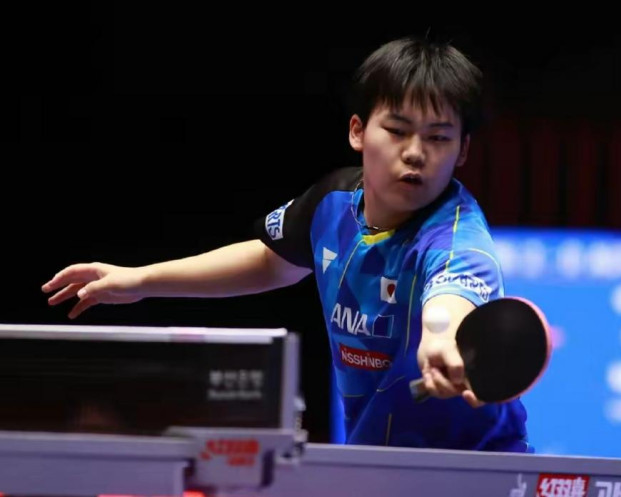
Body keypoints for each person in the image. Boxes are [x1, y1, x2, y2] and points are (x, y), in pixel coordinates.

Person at [42, 36, 532, 452]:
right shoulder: (332, 203)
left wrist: (442, 342)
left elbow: (450, 304)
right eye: (397, 130)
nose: (415, 153)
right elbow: (268, 261)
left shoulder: (457, 241)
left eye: (439, 138)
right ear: (358, 131)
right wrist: (140, 281)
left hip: (474, 468)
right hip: (376, 460)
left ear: (463, 150)